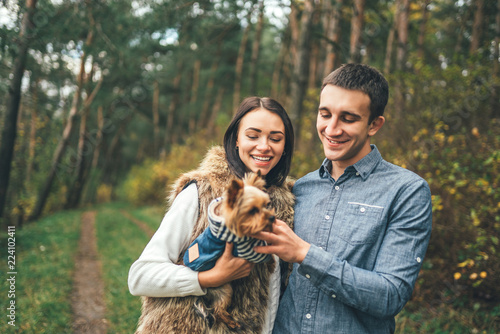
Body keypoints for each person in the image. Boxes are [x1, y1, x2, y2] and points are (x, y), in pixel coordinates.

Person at [253, 63, 433, 333]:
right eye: (325, 114)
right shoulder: (299, 189)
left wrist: (305, 254)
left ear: (374, 124)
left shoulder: (407, 191)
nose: (332, 129)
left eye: (348, 119)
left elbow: (390, 295)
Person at [128, 96, 295, 333]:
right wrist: (208, 278)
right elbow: (140, 276)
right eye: (253, 135)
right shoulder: (203, 192)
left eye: (275, 138)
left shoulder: (286, 204)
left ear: (285, 146)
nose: (264, 145)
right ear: (236, 140)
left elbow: (275, 293)